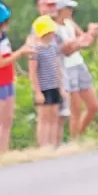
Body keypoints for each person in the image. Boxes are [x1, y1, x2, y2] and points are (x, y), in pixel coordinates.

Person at [0, 0, 36, 157]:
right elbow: (0, 62)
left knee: (7, 118)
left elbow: (7, 58)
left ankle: (4, 152)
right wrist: (21, 52)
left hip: (7, 80)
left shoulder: (1, 36)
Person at [54, 0, 98, 141]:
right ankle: (74, 140)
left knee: (93, 106)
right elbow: (66, 51)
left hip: (79, 64)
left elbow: (85, 41)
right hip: (67, 69)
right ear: (60, 10)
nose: (71, 11)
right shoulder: (55, 29)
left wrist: (92, 33)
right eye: (68, 8)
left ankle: (78, 137)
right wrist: (81, 41)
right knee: (76, 109)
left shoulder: (69, 23)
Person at [28, 15, 66, 148]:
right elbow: (32, 72)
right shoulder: (35, 50)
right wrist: (37, 92)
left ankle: (53, 144)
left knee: (54, 116)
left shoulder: (53, 47)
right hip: (43, 88)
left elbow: (56, 68)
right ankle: (43, 144)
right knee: (44, 118)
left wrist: (60, 87)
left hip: (54, 86)